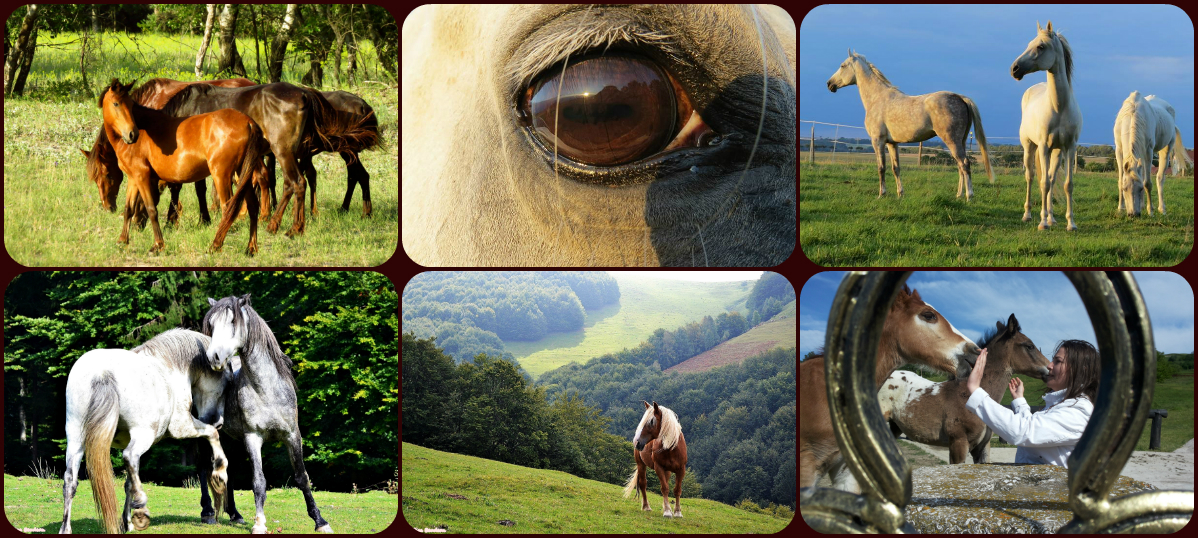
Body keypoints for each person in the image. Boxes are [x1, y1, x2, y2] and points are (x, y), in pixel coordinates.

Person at [964, 339, 1100, 466]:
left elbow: (1024, 431)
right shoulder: (1064, 404)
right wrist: (1020, 402)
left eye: (1058, 361)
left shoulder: (1078, 412)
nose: (1049, 365)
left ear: (1081, 370)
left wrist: (976, 391)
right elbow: (1034, 427)